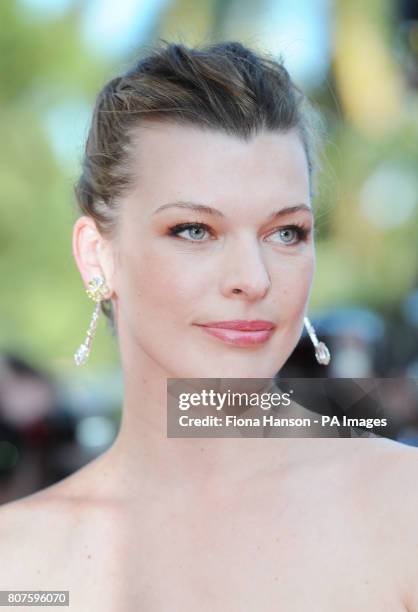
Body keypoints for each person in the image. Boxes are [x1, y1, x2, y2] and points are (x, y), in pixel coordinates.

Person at [1, 40, 418, 611]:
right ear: (98, 255)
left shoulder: (403, 510)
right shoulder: (19, 564)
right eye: (194, 230)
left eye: (285, 232)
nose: (253, 278)